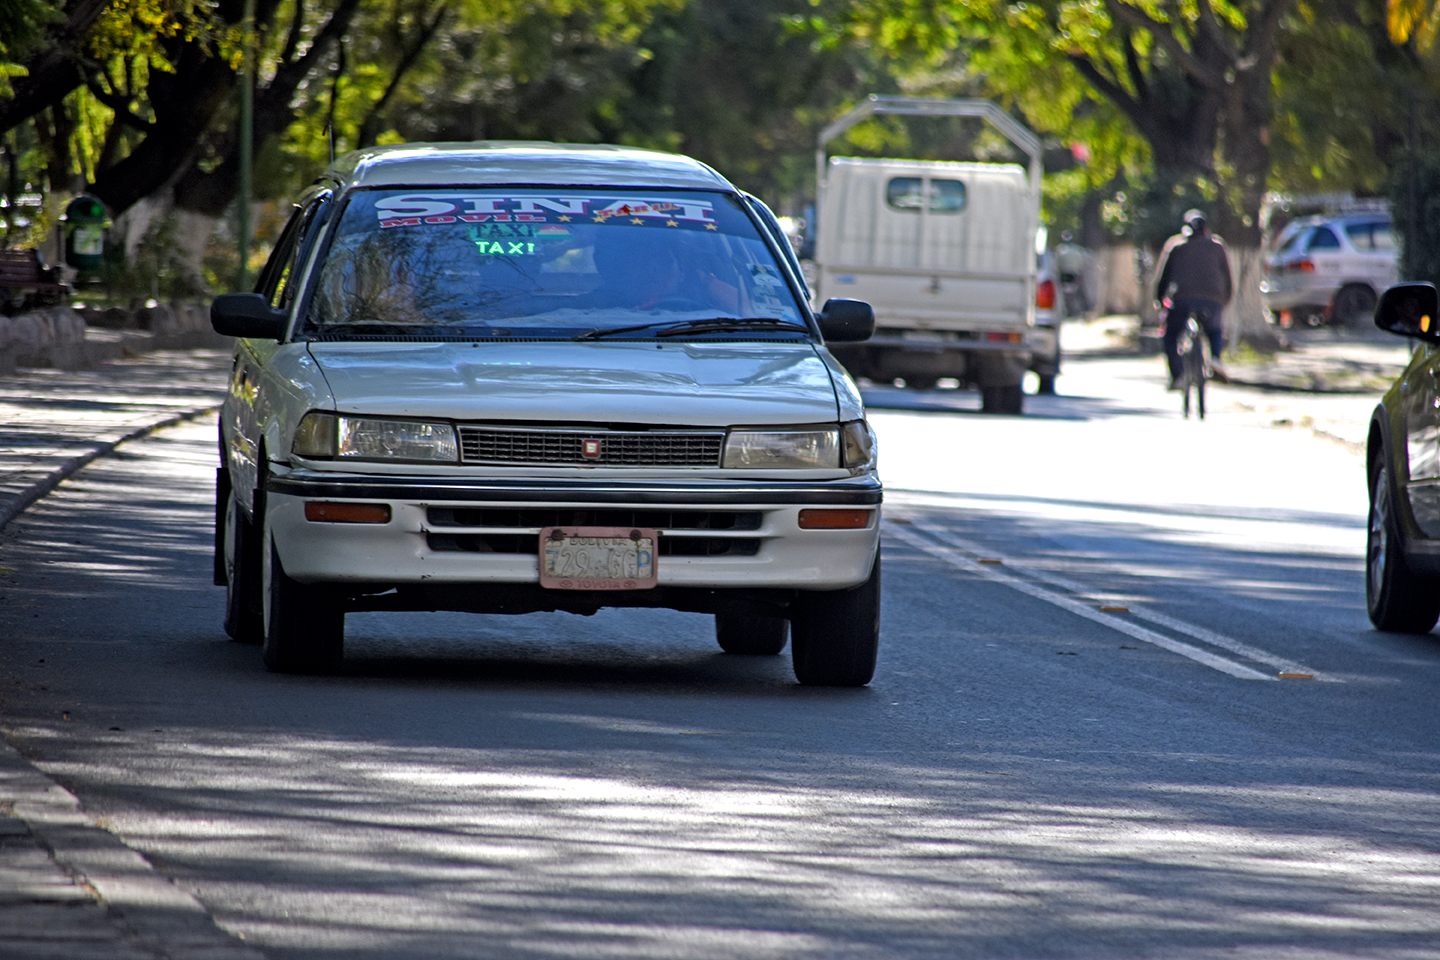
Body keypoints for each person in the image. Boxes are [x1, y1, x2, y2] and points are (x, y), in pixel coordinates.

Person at [1155, 210, 1232, 387]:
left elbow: (1163, 279)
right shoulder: (1218, 246)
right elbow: (1228, 279)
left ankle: (1178, 375)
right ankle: (1215, 359)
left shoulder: (1176, 246)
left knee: (1171, 335)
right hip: (1213, 300)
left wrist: (1160, 302)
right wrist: (1224, 301)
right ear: (1206, 229)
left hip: (1181, 300)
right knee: (1214, 330)